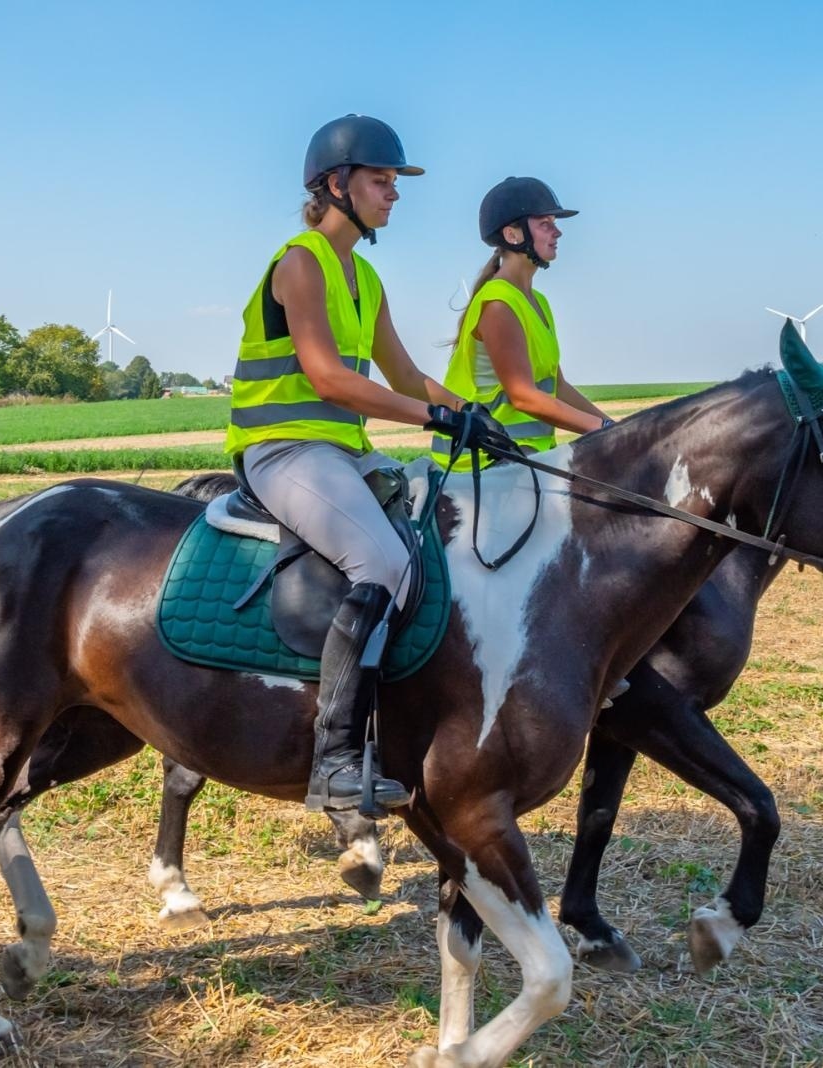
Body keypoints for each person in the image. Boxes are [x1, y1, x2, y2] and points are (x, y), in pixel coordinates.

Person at [226, 114, 508, 812]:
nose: (394, 194)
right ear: (334, 183)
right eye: (382, 180)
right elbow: (328, 378)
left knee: (433, 544)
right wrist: (433, 417)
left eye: (393, 182)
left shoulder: (365, 276)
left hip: (342, 453)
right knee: (381, 562)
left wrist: (470, 415)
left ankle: (398, 722)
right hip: (282, 450)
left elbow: (406, 375)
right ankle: (333, 761)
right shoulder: (300, 262)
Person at [432, 176, 613, 469]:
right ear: (513, 234)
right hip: (480, 460)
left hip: (520, 455)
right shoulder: (499, 304)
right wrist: (602, 430)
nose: (557, 232)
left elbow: (558, 385)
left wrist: (613, 429)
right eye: (545, 224)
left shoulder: (537, 301)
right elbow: (524, 397)